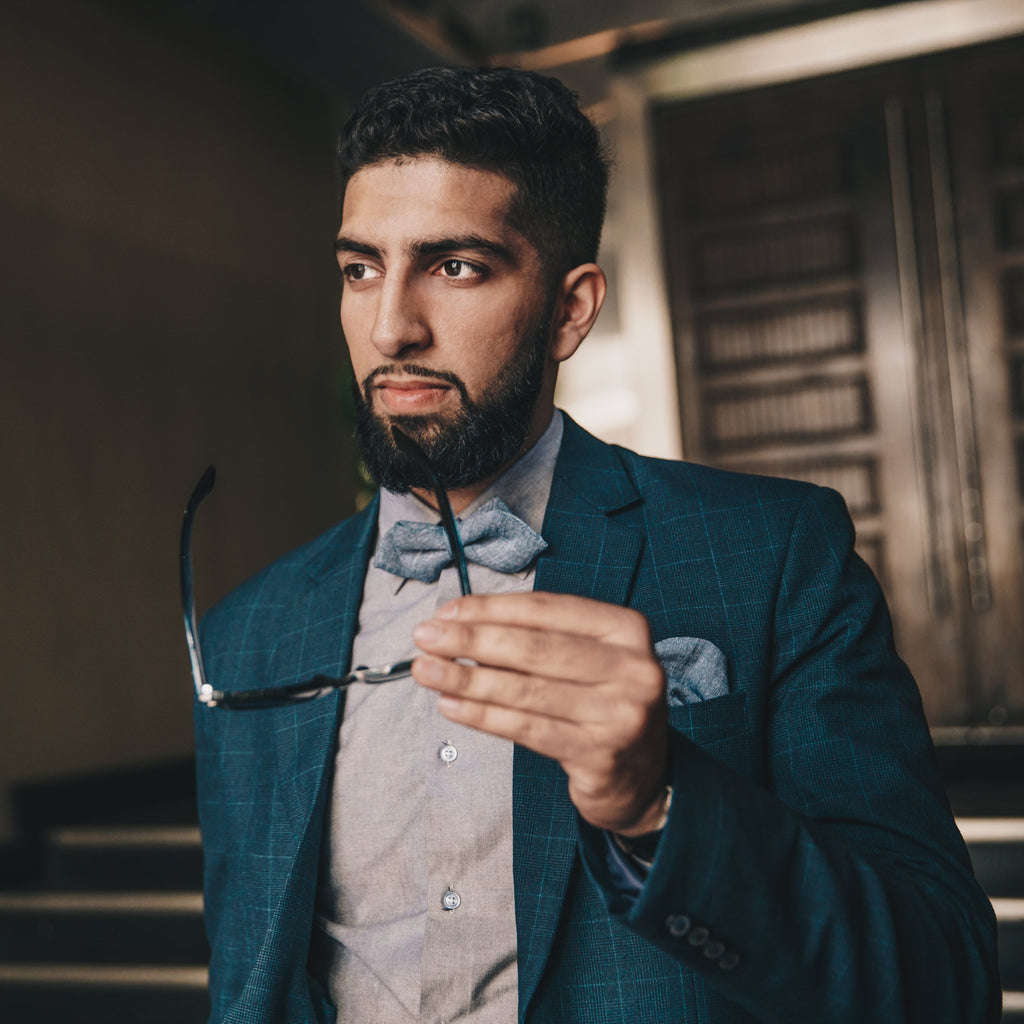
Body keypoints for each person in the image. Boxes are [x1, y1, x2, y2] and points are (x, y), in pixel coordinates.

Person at [193, 66, 999, 1024]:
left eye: (456, 267)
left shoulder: (774, 556)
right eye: (361, 268)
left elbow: (942, 980)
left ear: (570, 309)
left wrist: (660, 803)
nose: (390, 326)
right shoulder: (247, 632)